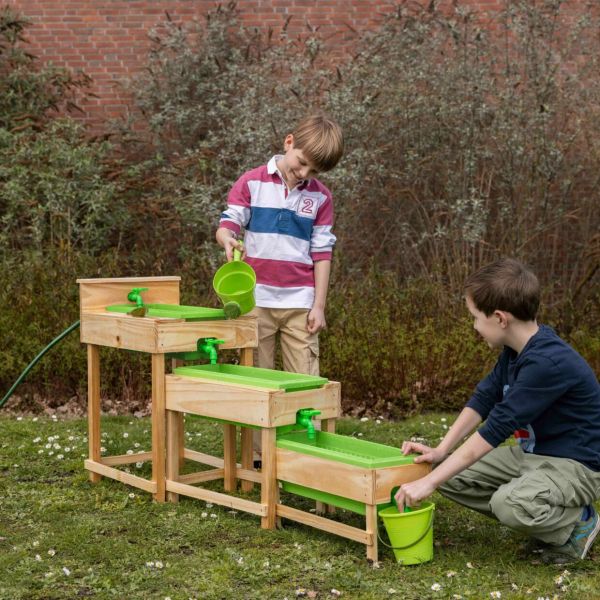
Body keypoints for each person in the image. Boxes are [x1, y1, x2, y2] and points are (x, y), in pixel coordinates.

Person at [394, 258, 600, 564]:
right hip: (533, 456)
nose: (475, 326)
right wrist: (441, 451)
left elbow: (496, 428)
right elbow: (484, 398)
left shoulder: (547, 363)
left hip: (576, 465)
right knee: (442, 471)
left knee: (509, 504)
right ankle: (537, 508)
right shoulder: (515, 351)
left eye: (476, 317)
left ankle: (578, 523)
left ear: (500, 318)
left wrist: (429, 485)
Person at [216, 113, 344, 462]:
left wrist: (319, 305)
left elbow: (322, 252)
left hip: (300, 303)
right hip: (257, 301)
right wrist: (228, 239)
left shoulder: (320, 198)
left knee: (305, 379)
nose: (304, 174)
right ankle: (260, 457)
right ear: (289, 143)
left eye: (314, 171)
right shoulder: (252, 182)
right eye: (302, 163)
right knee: (260, 378)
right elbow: (229, 223)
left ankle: (303, 453)